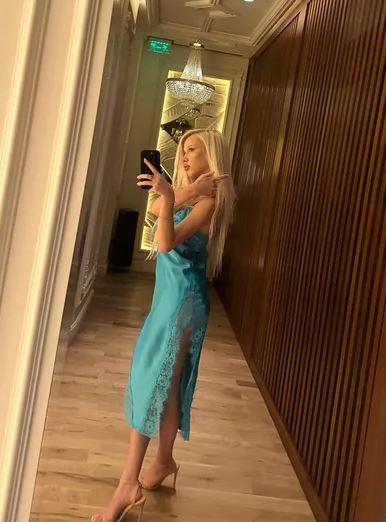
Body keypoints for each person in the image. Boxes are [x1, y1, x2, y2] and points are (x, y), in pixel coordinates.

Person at [92, 129, 235, 522]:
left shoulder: (210, 202)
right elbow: (157, 207)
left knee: (150, 379)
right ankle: (164, 461)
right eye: (183, 150)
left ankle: (128, 484)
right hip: (169, 300)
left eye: (194, 150)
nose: (185, 156)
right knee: (166, 386)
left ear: (211, 157)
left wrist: (175, 196)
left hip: (182, 302)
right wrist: (180, 193)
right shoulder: (194, 194)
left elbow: (166, 241)